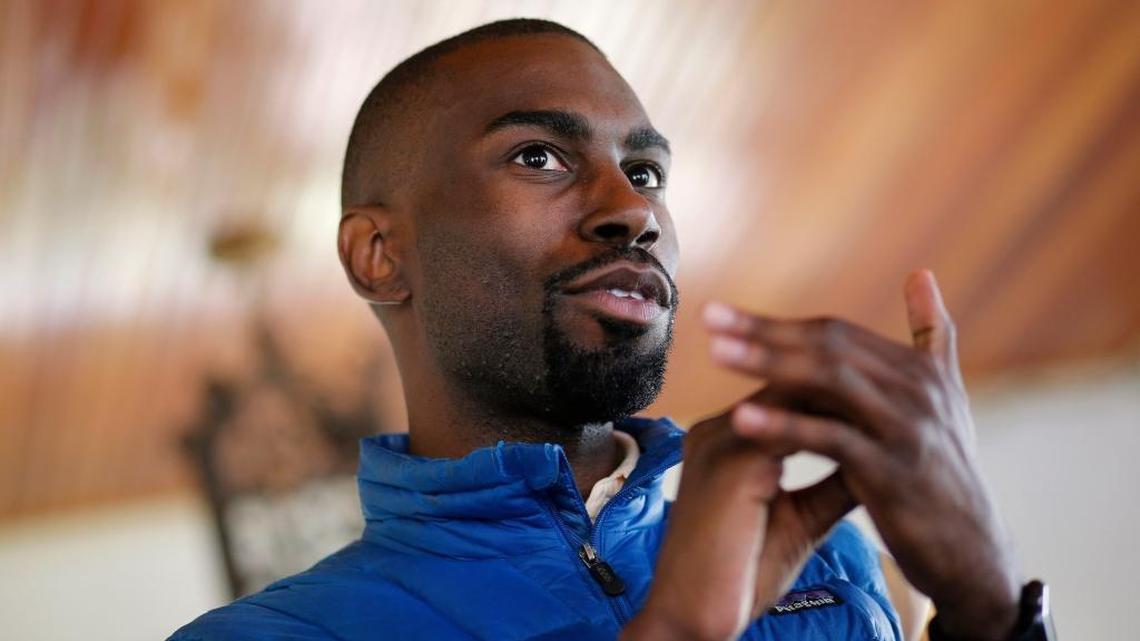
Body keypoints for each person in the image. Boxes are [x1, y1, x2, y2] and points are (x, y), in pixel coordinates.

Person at [169, 18, 1053, 641]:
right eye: (539, 156)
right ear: (379, 254)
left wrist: (991, 608)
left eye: (646, 171)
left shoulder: (834, 563)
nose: (633, 209)